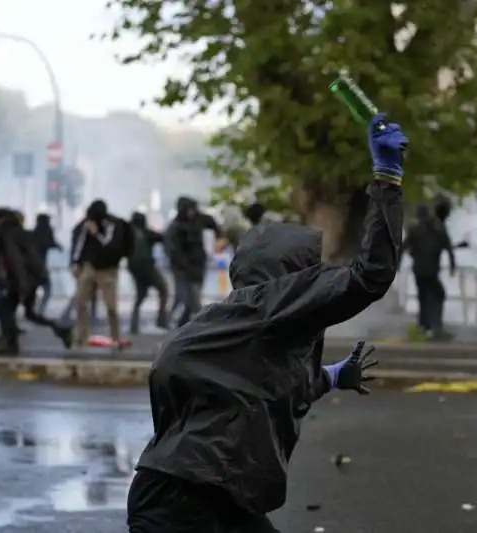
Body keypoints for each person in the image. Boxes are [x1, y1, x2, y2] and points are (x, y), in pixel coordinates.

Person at [126, 113, 406, 533]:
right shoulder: (270, 307)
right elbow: (371, 275)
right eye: (310, 267)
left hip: (210, 490)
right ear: (289, 273)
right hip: (184, 498)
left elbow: (263, 386)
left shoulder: (242, 323)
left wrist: (331, 377)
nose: (318, 276)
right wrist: (388, 177)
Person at [0, 208, 72, 355]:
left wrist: (19, 282)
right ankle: (60, 329)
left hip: (19, 279)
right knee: (29, 313)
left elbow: (14, 259)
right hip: (33, 279)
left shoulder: (7, 235)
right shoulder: (24, 233)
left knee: (5, 310)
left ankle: (11, 344)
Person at [70, 200, 133, 348]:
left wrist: (96, 233)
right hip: (90, 266)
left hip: (108, 269)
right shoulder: (86, 224)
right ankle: (82, 336)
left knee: (111, 306)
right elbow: (79, 243)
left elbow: (110, 246)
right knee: (80, 301)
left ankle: (115, 337)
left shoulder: (113, 225)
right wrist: (75, 262)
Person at [164, 197, 223, 328]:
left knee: (192, 299)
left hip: (198, 265)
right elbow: (172, 250)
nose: (191, 212)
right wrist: (183, 264)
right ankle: (183, 324)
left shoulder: (199, 219)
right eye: (189, 209)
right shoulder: (175, 228)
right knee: (186, 298)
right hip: (182, 269)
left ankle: (182, 325)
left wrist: (219, 236)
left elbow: (212, 223)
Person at [403, 203, 455, 340]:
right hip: (431, 270)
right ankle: (435, 327)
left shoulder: (415, 230)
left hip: (419, 270)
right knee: (438, 295)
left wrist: (395, 265)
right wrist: (452, 265)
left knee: (423, 297)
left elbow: (403, 247)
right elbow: (448, 247)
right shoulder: (437, 228)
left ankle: (425, 327)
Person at [127, 211, 168, 334]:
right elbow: (162, 237)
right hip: (148, 267)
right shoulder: (146, 233)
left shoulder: (128, 235)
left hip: (134, 269)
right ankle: (161, 320)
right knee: (163, 290)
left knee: (140, 296)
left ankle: (133, 325)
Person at [30, 213, 62, 315]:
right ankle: (40, 309)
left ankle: (33, 309)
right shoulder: (48, 232)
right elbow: (52, 243)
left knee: (33, 291)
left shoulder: (33, 234)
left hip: (32, 267)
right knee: (47, 290)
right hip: (42, 267)